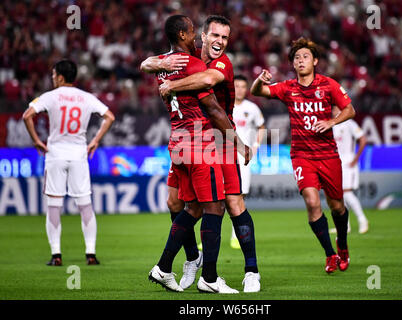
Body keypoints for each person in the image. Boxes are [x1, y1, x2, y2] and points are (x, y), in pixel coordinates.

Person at [141, 15, 261, 293]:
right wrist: (157, 63)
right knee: (180, 204)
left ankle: (251, 271)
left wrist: (169, 84)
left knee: (231, 204)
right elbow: (146, 63)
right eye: (214, 36)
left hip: (218, 138)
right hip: (194, 140)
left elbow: (208, 81)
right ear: (201, 36)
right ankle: (192, 262)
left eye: (225, 38)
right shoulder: (188, 57)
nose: (219, 42)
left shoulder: (222, 63)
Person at [250, 37, 356, 273]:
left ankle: (342, 245)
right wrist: (259, 80)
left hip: (328, 155)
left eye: (305, 56)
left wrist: (331, 121)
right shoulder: (288, 88)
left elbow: (350, 109)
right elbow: (257, 91)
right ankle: (330, 255)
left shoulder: (328, 85)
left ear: (315, 61)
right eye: (296, 57)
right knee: (311, 201)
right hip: (301, 155)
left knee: (337, 206)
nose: (300, 60)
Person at [22, 59, 115, 266]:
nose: (53, 78)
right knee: (85, 205)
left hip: (55, 154)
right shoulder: (86, 97)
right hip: (79, 154)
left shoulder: (49, 97)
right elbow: (109, 116)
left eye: (54, 75)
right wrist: (95, 141)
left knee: (54, 205)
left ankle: (56, 255)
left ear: (61, 77)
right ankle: (90, 254)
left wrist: (37, 141)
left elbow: (27, 115)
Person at [231, 75, 265, 249]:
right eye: (236, 85)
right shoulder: (224, 105)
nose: (239, 89)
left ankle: (235, 235)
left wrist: (256, 146)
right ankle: (210, 235)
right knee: (218, 197)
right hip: (225, 156)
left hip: (243, 157)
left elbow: (262, 127)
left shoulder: (252, 108)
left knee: (240, 194)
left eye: (243, 86)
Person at [332, 116, 369, 234]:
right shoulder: (331, 124)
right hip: (336, 162)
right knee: (338, 195)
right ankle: (345, 226)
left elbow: (363, 139)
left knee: (347, 192)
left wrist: (356, 158)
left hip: (348, 162)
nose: (334, 110)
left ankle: (362, 220)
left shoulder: (349, 123)